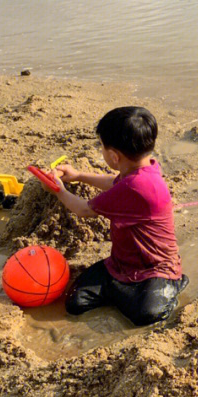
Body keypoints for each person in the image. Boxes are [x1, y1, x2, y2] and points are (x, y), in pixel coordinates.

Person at [55, 105, 187, 327]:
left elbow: (84, 210)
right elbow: (113, 182)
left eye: (102, 147)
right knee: (74, 302)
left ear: (114, 156)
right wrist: (78, 176)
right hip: (120, 265)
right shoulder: (146, 169)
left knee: (145, 315)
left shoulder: (137, 187)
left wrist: (58, 190)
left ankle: (173, 285)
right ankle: (123, 290)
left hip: (156, 269)